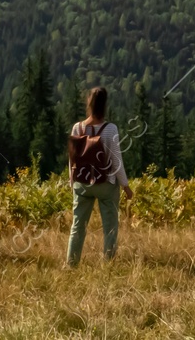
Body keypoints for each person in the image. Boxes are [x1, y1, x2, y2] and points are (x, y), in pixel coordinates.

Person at [66, 86, 132, 267]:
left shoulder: (77, 128)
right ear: (105, 105)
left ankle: (71, 264)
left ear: (89, 103)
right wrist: (125, 186)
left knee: (77, 226)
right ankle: (108, 264)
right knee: (110, 226)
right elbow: (116, 161)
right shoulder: (110, 129)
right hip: (105, 183)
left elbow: (72, 160)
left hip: (82, 183)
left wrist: (72, 182)